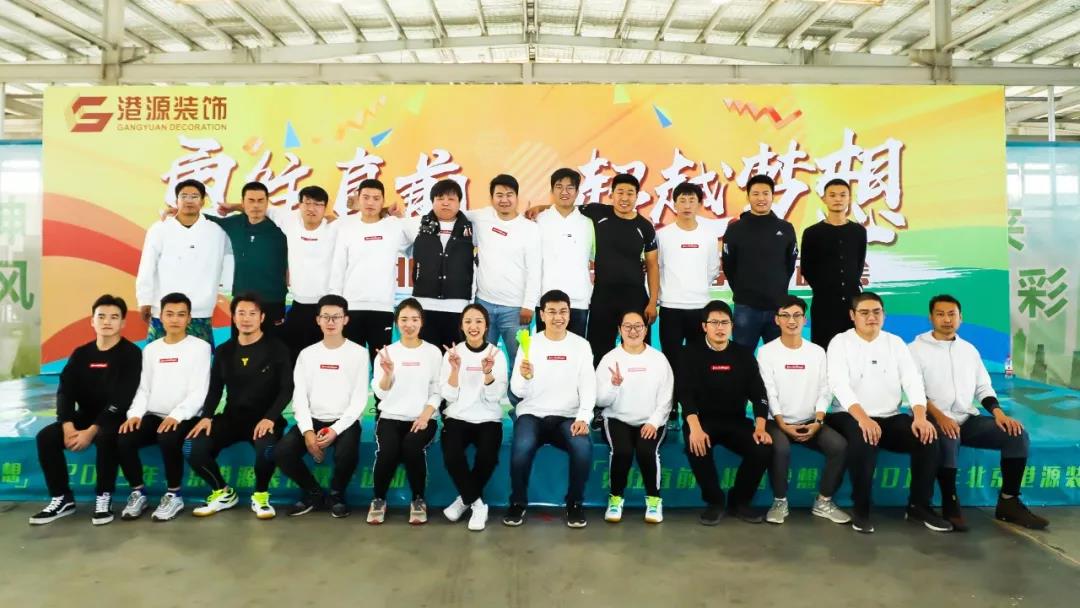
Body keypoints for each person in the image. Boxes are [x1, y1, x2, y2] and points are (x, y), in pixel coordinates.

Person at [909, 294, 1048, 531]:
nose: (947, 319)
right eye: (940, 314)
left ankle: (1009, 502)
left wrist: (999, 414)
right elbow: (915, 390)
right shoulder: (915, 350)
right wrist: (941, 417)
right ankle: (950, 502)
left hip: (967, 418)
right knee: (949, 435)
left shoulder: (969, 350)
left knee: (1016, 435)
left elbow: (983, 387)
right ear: (930, 318)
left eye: (952, 314)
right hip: (933, 418)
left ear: (960, 318)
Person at [826, 292, 951, 534]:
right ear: (852, 315)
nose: (871, 317)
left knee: (928, 436)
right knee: (864, 437)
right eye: (864, 313)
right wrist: (864, 419)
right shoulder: (840, 342)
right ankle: (861, 509)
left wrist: (920, 416)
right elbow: (838, 384)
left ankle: (919, 506)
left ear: (884, 315)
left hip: (890, 416)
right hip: (849, 416)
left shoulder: (895, 343)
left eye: (877, 312)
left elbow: (912, 380)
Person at [29, 295, 142, 526]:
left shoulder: (131, 354)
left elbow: (122, 398)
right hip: (85, 415)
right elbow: (65, 391)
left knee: (106, 436)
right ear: (92, 321)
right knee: (46, 437)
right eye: (101, 316)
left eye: (114, 317)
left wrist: (91, 431)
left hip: (116, 416)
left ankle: (104, 496)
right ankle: (62, 498)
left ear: (123, 323)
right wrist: (67, 424)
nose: (107, 322)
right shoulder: (81, 354)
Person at [185, 293, 293, 520]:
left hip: (265, 419)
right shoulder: (224, 351)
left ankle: (261, 496)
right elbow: (215, 389)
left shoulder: (277, 348)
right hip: (232, 419)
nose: (246, 318)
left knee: (267, 449)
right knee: (191, 447)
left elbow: (287, 389)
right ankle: (222, 492)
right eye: (241, 313)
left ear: (262, 317)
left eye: (252, 313)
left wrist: (271, 417)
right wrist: (206, 416)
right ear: (233, 318)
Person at [505, 290, 596, 528]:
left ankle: (574, 503)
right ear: (542, 315)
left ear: (570, 314)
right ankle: (518, 502)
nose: (558, 317)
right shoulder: (530, 344)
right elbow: (517, 390)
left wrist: (583, 417)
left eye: (563, 311)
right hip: (532, 414)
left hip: (567, 417)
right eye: (552, 312)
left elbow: (588, 386)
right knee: (521, 448)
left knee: (582, 448)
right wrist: (525, 377)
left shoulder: (581, 346)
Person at [116, 292, 211, 522]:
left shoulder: (200, 347)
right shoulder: (151, 350)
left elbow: (199, 391)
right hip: (154, 414)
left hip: (185, 416)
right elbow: (143, 389)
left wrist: (177, 416)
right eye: (170, 314)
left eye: (181, 314)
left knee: (168, 437)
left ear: (189, 318)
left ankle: (174, 495)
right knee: (124, 438)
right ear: (161, 317)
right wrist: (135, 414)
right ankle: (138, 492)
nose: (175, 319)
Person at [756, 295, 850, 526]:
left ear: (804, 320)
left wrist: (818, 420)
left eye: (797, 315)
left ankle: (823, 501)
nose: (791, 321)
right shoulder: (766, 352)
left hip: (810, 420)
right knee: (780, 448)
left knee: (839, 446)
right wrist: (782, 423)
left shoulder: (817, 352)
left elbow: (825, 389)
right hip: (777, 422)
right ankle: (780, 501)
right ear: (777, 320)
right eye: (786, 315)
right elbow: (768, 391)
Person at [678, 300, 773, 525]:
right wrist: (694, 428)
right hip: (701, 420)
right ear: (704, 326)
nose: (719, 327)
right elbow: (684, 394)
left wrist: (760, 427)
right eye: (714, 323)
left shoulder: (743, 355)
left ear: (732, 326)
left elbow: (759, 394)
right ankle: (715, 502)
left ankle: (739, 501)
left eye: (724, 322)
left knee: (762, 448)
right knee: (696, 446)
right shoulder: (689, 353)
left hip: (735, 420)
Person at [275, 294, 368, 519]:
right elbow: (299, 397)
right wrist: (308, 432)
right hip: (313, 419)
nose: (331, 322)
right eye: (326, 316)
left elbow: (359, 400)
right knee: (282, 452)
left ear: (346, 319)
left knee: (347, 453)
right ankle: (313, 493)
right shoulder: (307, 355)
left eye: (336, 317)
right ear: (317, 320)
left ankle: (337, 494)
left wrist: (335, 430)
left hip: (344, 421)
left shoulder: (359, 353)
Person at [367, 298, 442, 525]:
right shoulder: (387, 353)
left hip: (423, 418)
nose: (409, 324)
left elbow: (438, 390)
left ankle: (418, 499)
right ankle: (378, 499)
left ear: (422, 322)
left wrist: (426, 415)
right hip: (390, 416)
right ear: (397, 323)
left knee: (411, 446)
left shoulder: (432, 352)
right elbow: (380, 393)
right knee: (388, 451)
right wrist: (388, 374)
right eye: (404, 319)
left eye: (414, 319)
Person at [595, 310, 673, 524]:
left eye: (638, 326)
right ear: (619, 330)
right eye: (627, 326)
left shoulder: (658, 359)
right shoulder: (610, 359)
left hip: (650, 420)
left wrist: (654, 422)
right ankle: (615, 498)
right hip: (617, 418)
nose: (633, 331)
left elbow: (666, 397)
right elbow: (600, 400)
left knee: (647, 451)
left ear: (646, 330)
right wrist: (613, 385)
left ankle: (654, 501)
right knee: (622, 451)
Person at [439, 304, 509, 531]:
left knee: (488, 456)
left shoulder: (496, 355)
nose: (473, 326)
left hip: (488, 418)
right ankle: (478, 505)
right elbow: (448, 396)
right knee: (452, 455)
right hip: (457, 416)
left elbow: (495, 397)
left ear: (487, 326)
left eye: (479, 321)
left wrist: (487, 373)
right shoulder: (453, 353)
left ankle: (463, 500)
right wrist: (454, 370)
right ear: (461, 326)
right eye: (468, 321)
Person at [135, 178, 228, 346]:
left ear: (203, 201)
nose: (189, 201)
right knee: (158, 358)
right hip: (163, 310)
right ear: (176, 200)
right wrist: (144, 300)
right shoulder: (159, 229)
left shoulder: (217, 231)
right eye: (183, 196)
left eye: (194, 196)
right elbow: (147, 266)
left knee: (199, 359)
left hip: (200, 311)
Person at [656, 182, 720, 427]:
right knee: (671, 361)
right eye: (682, 200)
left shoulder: (708, 236)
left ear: (700, 204)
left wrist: (696, 289)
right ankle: (671, 407)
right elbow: (657, 267)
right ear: (674, 204)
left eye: (692, 200)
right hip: (671, 307)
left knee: (698, 361)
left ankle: (696, 409)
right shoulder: (663, 235)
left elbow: (712, 269)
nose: (686, 205)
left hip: (699, 307)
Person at [329, 179, 413, 365]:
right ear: (358, 199)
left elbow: (415, 239)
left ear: (383, 201)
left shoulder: (393, 226)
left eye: (376, 198)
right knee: (351, 364)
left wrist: (400, 217)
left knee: (381, 364)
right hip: (351, 306)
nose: (370, 202)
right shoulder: (346, 227)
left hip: (382, 307)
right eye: (365, 197)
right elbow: (338, 267)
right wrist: (336, 304)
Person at [471, 174, 541, 369]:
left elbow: (535, 269)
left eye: (509, 195)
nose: (504, 200)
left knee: (520, 362)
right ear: (491, 197)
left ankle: (518, 391)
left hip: (516, 310)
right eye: (499, 195)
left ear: (517, 197)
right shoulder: (482, 217)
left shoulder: (529, 228)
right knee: (483, 360)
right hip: (483, 305)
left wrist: (529, 305)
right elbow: (453, 213)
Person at [721, 174, 798, 350]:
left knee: (778, 358)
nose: (761, 198)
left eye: (765, 193)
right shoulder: (735, 229)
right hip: (745, 307)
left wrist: (776, 289)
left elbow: (790, 264)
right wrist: (743, 291)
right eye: (755, 194)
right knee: (742, 358)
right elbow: (729, 266)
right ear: (748, 196)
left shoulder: (785, 228)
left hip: (778, 308)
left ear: (772, 196)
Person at [206, 182, 289, 339]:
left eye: (260, 200)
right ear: (243, 202)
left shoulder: (282, 227)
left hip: (273, 300)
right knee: (240, 347)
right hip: (242, 301)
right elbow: (204, 219)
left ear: (267, 202)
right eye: (251, 200)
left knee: (274, 348)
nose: (256, 205)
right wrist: (177, 212)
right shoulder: (235, 223)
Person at [268, 185, 339, 363]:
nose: (311, 208)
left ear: (325, 208)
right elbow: (260, 206)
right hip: (298, 304)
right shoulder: (290, 221)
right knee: (294, 357)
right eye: (307, 203)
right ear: (299, 205)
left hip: (325, 306)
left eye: (318, 204)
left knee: (324, 358)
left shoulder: (336, 227)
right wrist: (232, 207)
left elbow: (366, 220)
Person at [406, 179, 475, 349]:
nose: (445, 203)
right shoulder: (416, 224)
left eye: (451, 199)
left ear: (460, 202)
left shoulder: (471, 227)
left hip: (457, 307)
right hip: (423, 305)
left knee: (453, 357)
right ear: (432, 201)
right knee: (426, 357)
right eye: (440, 198)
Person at [800, 178, 867, 349]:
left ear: (849, 198)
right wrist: (826, 288)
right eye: (832, 195)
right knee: (823, 348)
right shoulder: (812, 233)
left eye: (843, 195)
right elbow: (807, 268)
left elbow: (859, 264)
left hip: (852, 303)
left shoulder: (858, 231)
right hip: (824, 303)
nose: (838, 199)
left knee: (854, 349)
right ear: (824, 198)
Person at [534, 168, 592, 337]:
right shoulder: (538, 220)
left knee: (576, 349)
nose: (564, 192)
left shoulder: (588, 223)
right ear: (552, 191)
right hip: (546, 300)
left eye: (570, 187)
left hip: (578, 300)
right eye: (559, 187)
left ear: (577, 192)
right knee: (545, 349)